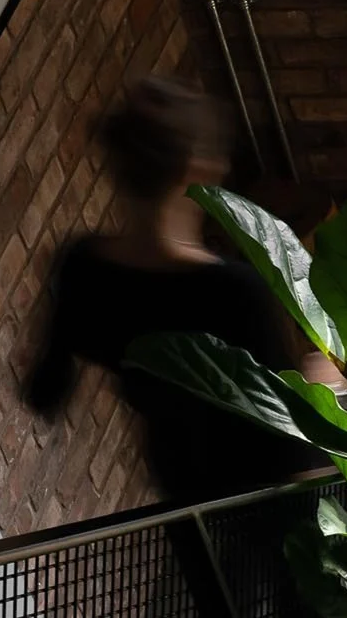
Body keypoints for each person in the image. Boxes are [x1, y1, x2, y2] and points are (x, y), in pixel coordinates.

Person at [27, 75, 330, 501]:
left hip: (182, 504)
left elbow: (45, 391)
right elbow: (288, 454)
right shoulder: (234, 293)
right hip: (261, 513)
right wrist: (324, 384)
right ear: (200, 169)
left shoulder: (84, 266)